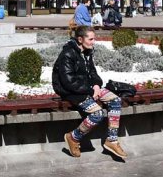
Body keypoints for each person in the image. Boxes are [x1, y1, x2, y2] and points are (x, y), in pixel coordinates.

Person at [53, 25, 127, 160]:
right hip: (71, 92)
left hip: (87, 88)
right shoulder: (68, 54)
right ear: (80, 39)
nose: (94, 42)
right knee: (97, 114)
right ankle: (73, 137)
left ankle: (112, 140)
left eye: (94, 39)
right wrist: (90, 90)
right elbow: (68, 81)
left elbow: (93, 73)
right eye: (91, 39)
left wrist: (97, 85)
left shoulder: (87, 52)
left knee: (115, 100)